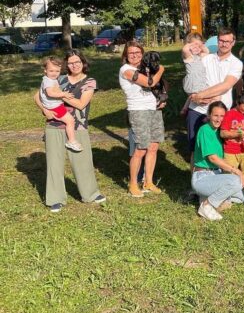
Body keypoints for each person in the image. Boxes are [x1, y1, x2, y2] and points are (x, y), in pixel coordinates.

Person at [34, 49, 105, 212]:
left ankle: (90, 194)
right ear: (67, 64)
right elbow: (37, 96)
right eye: (71, 62)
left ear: (83, 63)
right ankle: (55, 199)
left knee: (83, 161)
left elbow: (81, 104)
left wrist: (60, 96)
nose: (74, 65)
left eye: (77, 62)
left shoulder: (90, 82)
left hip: (78, 126)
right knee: (54, 163)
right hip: (53, 125)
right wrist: (44, 109)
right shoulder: (57, 78)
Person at [119, 41, 165, 197]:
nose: (135, 55)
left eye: (138, 52)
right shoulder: (126, 69)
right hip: (138, 111)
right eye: (131, 53)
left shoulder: (146, 68)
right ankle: (133, 184)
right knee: (140, 149)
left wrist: (163, 98)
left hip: (153, 109)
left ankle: (149, 181)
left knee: (153, 147)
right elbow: (149, 82)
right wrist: (161, 70)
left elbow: (162, 85)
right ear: (126, 55)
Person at [186, 28, 244, 156]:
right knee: (195, 150)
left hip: (220, 113)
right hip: (198, 109)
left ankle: (217, 175)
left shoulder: (236, 63)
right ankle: (195, 175)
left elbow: (226, 85)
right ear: (217, 41)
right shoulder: (205, 59)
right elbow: (192, 78)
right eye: (222, 41)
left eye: (228, 41)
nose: (224, 44)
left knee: (218, 149)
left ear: (233, 42)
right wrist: (194, 96)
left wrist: (200, 95)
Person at [191, 101, 244, 221]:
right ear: (209, 115)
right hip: (203, 176)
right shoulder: (205, 130)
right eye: (216, 115)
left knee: (243, 196)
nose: (219, 119)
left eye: (222, 116)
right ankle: (207, 205)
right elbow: (212, 158)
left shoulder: (220, 132)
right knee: (236, 181)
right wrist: (235, 171)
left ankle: (206, 197)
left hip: (217, 174)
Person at [39, 57, 82, 151]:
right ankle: (71, 141)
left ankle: (48, 136)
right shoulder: (48, 81)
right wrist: (64, 94)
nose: (54, 73)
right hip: (54, 107)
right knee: (70, 121)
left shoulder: (49, 79)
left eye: (57, 71)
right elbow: (50, 93)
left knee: (64, 119)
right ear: (45, 70)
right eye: (51, 71)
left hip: (54, 105)